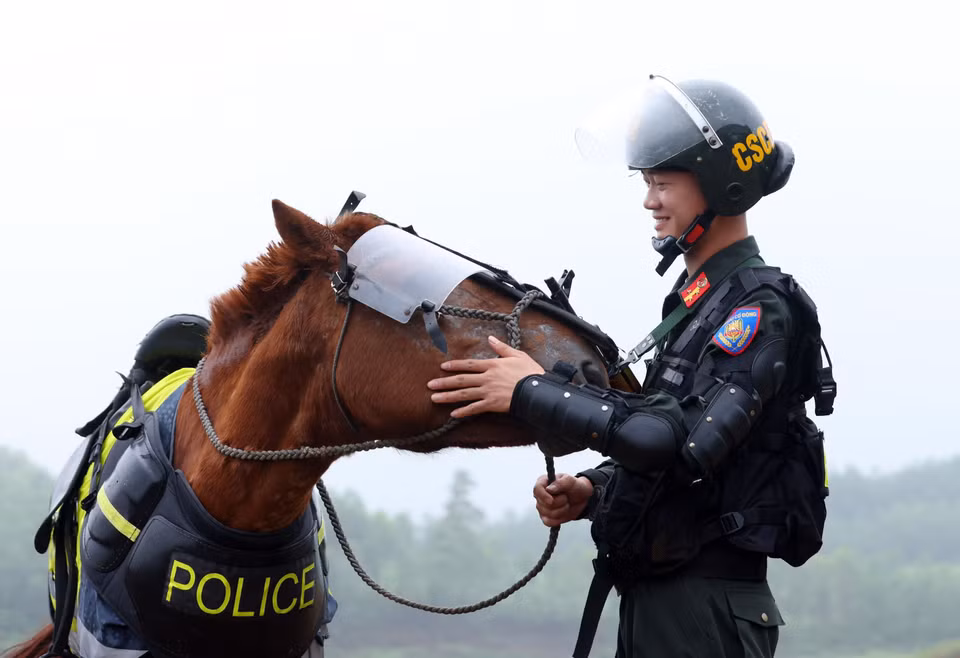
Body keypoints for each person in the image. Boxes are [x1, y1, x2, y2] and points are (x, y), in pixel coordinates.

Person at [427, 74, 835, 658]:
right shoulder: (702, 302)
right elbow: (680, 455)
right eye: (647, 183)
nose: (649, 202)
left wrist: (529, 391)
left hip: (704, 608)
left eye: (662, 184)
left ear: (722, 186)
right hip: (666, 599)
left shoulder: (757, 309)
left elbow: (677, 444)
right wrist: (593, 490)